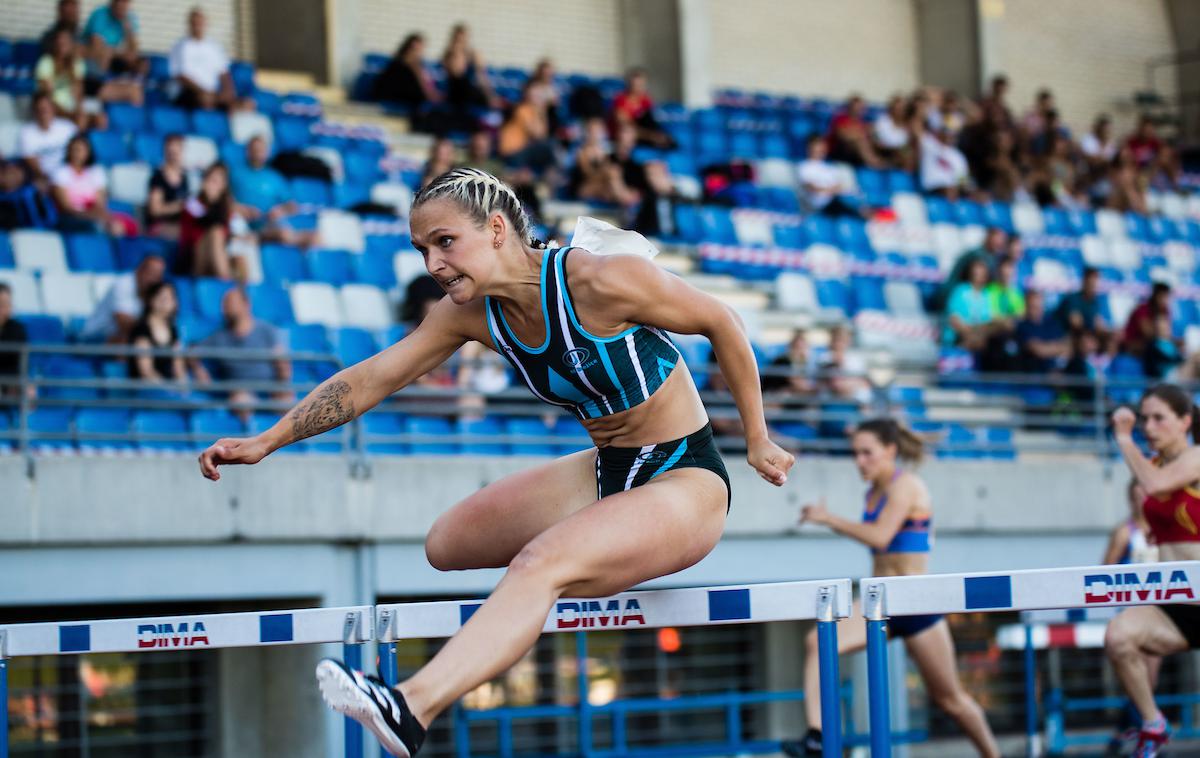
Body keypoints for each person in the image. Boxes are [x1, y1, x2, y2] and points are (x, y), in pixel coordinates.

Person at [197, 167, 794, 757]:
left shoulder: (599, 281)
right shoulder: (470, 313)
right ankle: (570, 570)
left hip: (685, 474)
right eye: (422, 249)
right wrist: (266, 440)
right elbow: (371, 379)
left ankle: (411, 705)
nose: (433, 264)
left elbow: (724, 322)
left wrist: (757, 437)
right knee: (446, 544)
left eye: (445, 242)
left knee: (539, 563)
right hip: (607, 467)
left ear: (499, 229)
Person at [781, 419, 1000, 757]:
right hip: (880, 602)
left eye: (867, 453)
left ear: (890, 451)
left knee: (951, 700)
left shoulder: (907, 486)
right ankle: (817, 736)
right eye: (855, 454)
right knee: (817, 640)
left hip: (914, 603)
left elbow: (880, 537)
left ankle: (993, 755)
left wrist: (829, 520)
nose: (860, 461)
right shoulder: (872, 493)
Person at [1106, 386, 1200, 757]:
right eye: (1144, 418)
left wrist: (1124, 439)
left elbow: (1157, 485)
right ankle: (1152, 722)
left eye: (1159, 418)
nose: (1148, 426)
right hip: (1176, 599)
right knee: (1118, 637)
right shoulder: (1153, 467)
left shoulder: (1196, 458)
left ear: (1185, 422)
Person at [1101, 478, 1161, 756]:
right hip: (1132, 612)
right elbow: (1105, 570)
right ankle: (1143, 738)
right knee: (1140, 680)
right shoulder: (1125, 532)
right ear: (1130, 499)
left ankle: (1125, 733)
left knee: (1148, 682)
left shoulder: (1163, 530)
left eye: (1145, 495)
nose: (1141, 501)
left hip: (1159, 612)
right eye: (1136, 496)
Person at [191, 288, 291, 419]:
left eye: (230, 303)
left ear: (246, 304)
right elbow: (192, 351)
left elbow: (282, 364)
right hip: (241, 394)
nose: (225, 308)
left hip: (270, 390)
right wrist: (199, 369)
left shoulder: (266, 330)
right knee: (241, 402)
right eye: (225, 304)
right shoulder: (219, 337)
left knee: (291, 406)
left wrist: (281, 387)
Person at [51, 134, 132, 236]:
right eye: (74, 150)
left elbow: (100, 202)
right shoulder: (61, 173)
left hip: (93, 214)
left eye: (80, 150)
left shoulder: (96, 172)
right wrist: (89, 215)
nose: (77, 154)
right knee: (96, 227)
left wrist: (99, 215)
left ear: (88, 152)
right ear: (69, 151)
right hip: (71, 218)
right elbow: (66, 207)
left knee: (121, 225)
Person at [81, 254, 165, 344]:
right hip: (94, 337)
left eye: (157, 276)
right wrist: (155, 326)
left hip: (123, 338)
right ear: (139, 270)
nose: (153, 279)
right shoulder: (123, 284)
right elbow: (124, 324)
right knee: (130, 344)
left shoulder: (155, 292)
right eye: (150, 273)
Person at [35, 27, 105, 131]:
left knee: (101, 119)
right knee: (80, 121)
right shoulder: (46, 62)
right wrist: (70, 115)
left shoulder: (76, 62)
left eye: (65, 40)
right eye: (59, 40)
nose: (62, 43)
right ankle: (76, 144)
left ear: (71, 44)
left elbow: (79, 92)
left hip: (72, 109)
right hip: (54, 110)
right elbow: (47, 98)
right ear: (54, 44)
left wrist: (79, 110)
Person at [169, 7, 236, 110]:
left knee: (243, 104)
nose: (197, 25)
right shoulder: (180, 46)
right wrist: (202, 91)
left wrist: (228, 91)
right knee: (205, 100)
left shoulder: (215, 47)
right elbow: (180, 76)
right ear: (189, 24)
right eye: (194, 22)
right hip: (188, 92)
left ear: (205, 23)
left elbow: (224, 73)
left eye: (200, 22)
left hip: (211, 92)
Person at [180, 162, 235, 279]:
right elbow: (207, 222)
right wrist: (210, 201)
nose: (213, 185)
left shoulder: (226, 208)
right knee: (215, 233)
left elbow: (227, 234)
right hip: (193, 257)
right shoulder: (192, 203)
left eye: (217, 182)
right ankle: (226, 282)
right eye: (211, 180)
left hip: (218, 254)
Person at [127, 281, 187, 383]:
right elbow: (146, 371)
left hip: (169, 389)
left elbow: (178, 366)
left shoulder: (173, 328)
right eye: (163, 297)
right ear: (151, 300)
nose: (168, 302)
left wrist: (184, 389)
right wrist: (167, 390)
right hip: (146, 389)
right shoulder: (141, 329)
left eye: (171, 297)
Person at [498, 81, 558, 177]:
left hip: (521, 149)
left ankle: (548, 177)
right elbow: (538, 135)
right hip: (512, 151)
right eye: (536, 95)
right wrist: (541, 110)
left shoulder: (533, 110)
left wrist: (542, 111)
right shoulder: (522, 109)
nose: (538, 98)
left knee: (550, 147)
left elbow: (543, 133)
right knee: (550, 145)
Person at [18, 92, 77, 181]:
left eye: (46, 108)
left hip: (68, 174)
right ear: (35, 111)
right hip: (43, 176)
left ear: (53, 108)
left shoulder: (68, 127)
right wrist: (44, 178)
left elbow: (80, 152)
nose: (44, 111)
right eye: (40, 109)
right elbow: (32, 162)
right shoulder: (26, 132)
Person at [796, 135, 859, 217]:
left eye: (822, 147)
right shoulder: (803, 166)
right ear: (809, 148)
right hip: (817, 205)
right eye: (817, 147)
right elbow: (810, 187)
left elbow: (840, 187)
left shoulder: (830, 168)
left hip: (834, 203)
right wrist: (830, 190)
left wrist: (830, 190)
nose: (820, 150)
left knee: (852, 199)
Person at [611, 68, 673, 149]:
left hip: (643, 134)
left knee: (668, 139)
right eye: (635, 85)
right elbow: (626, 126)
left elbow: (650, 121)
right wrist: (651, 136)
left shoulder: (646, 100)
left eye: (641, 85)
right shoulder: (620, 99)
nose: (638, 88)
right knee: (628, 132)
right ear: (629, 85)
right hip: (625, 136)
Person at [441, 23, 498, 111]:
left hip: (470, 89)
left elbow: (482, 76)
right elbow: (457, 72)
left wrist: (490, 95)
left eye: (463, 38)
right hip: (457, 91)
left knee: (480, 92)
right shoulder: (449, 54)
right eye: (458, 39)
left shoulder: (472, 54)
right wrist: (457, 53)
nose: (461, 41)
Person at [1013, 290, 1069, 374]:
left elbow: (1067, 346)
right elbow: (1038, 350)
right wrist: (1057, 347)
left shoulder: (1052, 324)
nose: (1035, 309)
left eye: (1037, 306)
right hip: (1033, 378)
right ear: (1026, 306)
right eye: (1032, 306)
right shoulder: (1022, 326)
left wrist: (1048, 347)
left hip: (1056, 373)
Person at [145, 133, 189, 238]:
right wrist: (179, 206)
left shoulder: (184, 178)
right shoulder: (157, 178)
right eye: (171, 151)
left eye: (177, 151)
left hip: (178, 224)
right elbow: (155, 210)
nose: (174, 155)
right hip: (161, 225)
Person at [825, 95, 883, 168]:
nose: (858, 110)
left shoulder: (861, 123)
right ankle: (873, 163)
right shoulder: (841, 118)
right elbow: (842, 135)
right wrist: (860, 134)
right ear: (850, 107)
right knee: (860, 140)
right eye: (856, 107)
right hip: (838, 152)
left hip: (854, 155)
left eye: (861, 108)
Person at [0, 159, 57, 231]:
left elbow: (50, 219)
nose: (12, 177)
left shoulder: (32, 193)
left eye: (15, 173)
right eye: (9, 173)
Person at [1056, 267, 1110, 339]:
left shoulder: (1094, 302)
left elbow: (1098, 323)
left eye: (1095, 284)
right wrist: (1094, 325)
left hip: (1085, 335)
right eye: (1091, 284)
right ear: (1084, 282)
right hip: (1064, 335)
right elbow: (1076, 324)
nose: (1093, 287)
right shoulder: (1073, 299)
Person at [1123, 282, 1173, 359]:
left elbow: (1166, 334)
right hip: (1134, 343)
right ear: (1156, 296)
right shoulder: (1143, 309)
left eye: (1167, 297)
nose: (1166, 300)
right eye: (1163, 296)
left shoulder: (1165, 311)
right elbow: (1148, 333)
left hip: (1153, 344)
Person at [919, 126, 970, 200]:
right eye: (947, 132)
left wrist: (959, 190)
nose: (949, 135)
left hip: (952, 192)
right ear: (940, 132)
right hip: (931, 190)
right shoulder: (929, 144)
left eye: (952, 133)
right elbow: (916, 128)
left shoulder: (959, 157)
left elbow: (963, 182)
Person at [0, 283, 29, 399]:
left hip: (9, 379)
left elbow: (19, 364)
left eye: (8, 304)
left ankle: (25, 417)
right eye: (2, 304)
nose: (5, 308)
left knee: (29, 390)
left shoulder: (17, 329)